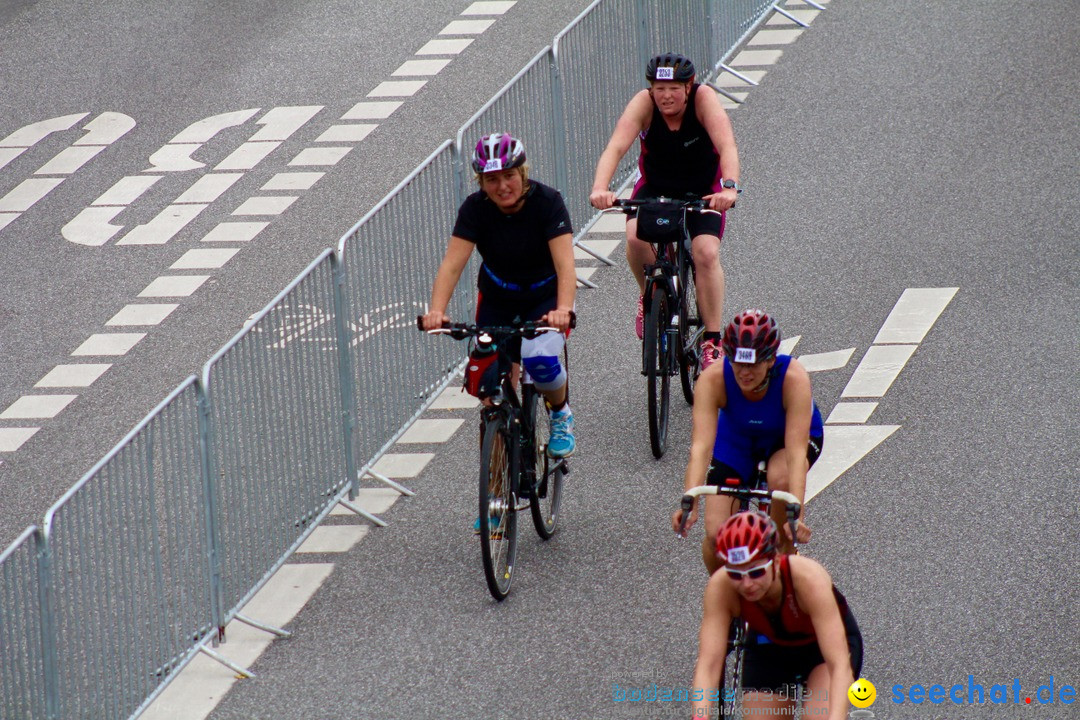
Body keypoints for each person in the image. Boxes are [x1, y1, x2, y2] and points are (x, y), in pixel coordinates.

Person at [422, 132, 576, 470]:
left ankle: (560, 413)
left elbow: (565, 265)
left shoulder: (548, 202)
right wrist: (437, 311)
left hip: (543, 299)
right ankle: (493, 500)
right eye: (492, 179)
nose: (502, 186)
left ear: (522, 173)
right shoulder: (475, 209)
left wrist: (563, 310)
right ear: (481, 181)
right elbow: (452, 265)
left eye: (509, 176)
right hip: (497, 299)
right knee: (486, 384)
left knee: (539, 359)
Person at [589, 52, 740, 369]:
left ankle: (712, 340)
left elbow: (727, 145)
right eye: (659, 88)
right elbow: (616, 146)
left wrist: (728, 187)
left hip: (703, 190)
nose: (665, 95)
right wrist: (601, 188)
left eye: (673, 88)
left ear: (689, 86)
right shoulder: (643, 104)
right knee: (634, 238)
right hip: (656, 186)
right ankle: (651, 296)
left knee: (706, 253)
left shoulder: (704, 100)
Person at [673, 310, 823, 569]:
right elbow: (700, 447)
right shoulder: (713, 379)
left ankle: (781, 560)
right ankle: (729, 600)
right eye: (738, 364)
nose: (744, 373)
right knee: (715, 538)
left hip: (785, 440)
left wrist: (795, 514)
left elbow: (796, 454)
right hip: (738, 438)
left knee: (780, 480)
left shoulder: (794, 378)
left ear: (770, 360)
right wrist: (690, 501)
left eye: (752, 364)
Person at [689, 511, 863, 719]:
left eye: (756, 572)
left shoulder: (808, 579)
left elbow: (838, 665)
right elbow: (708, 665)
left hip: (820, 650)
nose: (747, 584)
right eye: (736, 574)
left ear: (775, 559)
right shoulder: (721, 587)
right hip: (770, 647)